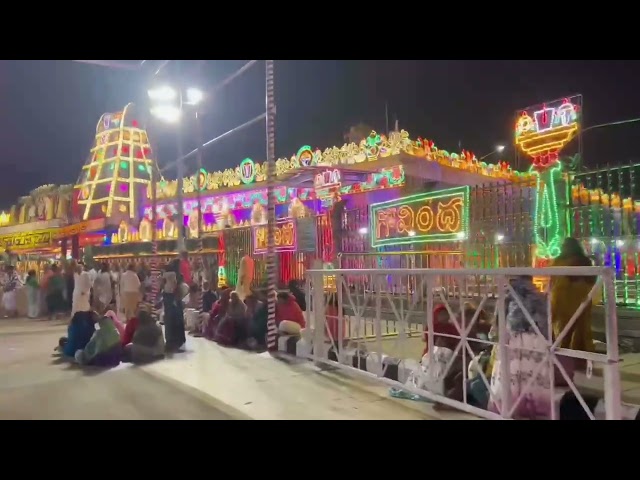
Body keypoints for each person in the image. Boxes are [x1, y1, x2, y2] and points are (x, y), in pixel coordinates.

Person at [487, 275, 553, 419]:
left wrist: (494, 337)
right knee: (534, 379)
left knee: (510, 379)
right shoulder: (541, 297)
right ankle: (534, 411)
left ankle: (508, 412)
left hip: (513, 341)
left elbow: (498, 324)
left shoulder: (507, 296)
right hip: (538, 343)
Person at [551, 237, 595, 353]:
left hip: (563, 299)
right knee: (582, 329)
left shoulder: (559, 261)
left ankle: (564, 357)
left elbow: (553, 280)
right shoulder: (584, 261)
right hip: (582, 297)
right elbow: (592, 279)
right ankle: (582, 357)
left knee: (565, 329)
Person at [162, 260, 188, 352]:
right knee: (177, 320)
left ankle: (171, 342)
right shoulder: (178, 275)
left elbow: (165, 284)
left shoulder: (169, 274)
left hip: (170, 297)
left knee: (170, 320)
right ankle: (179, 341)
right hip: (176, 298)